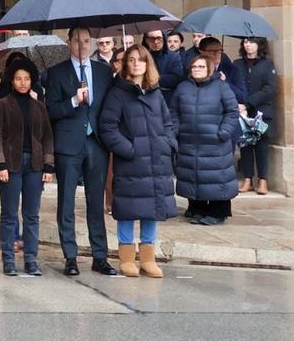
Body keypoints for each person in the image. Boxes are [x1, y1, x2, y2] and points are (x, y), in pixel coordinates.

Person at [98, 44, 176, 278]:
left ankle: (148, 259)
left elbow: (168, 122)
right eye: (130, 60)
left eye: (140, 60)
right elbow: (108, 127)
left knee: (151, 210)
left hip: (156, 161)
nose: (135, 64)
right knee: (128, 209)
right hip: (132, 162)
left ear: (147, 63)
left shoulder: (155, 92)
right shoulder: (118, 92)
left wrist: (169, 143)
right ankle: (127, 259)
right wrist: (129, 149)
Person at [44, 27, 117, 277]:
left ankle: (100, 256)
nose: (83, 45)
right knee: (66, 201)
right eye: (78, 41)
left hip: (96, 143)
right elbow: (50, 110)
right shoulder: (56, 73)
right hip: (68, 144)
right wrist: (74, 101)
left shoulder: (103, 72)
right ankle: (71, 256)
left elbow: (112, 105)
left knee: (95, 202)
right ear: (69, 43)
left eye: (87, 41)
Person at [0, 60, 54, 276]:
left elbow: (47, 137)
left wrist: (48, 166)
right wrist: (0, 164)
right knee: (9, 214)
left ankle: (31, 259)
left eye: (26, 79)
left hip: (34, 165)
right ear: (11, 80)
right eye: (18, 78)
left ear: (32, 80)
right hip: (10, 164)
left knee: (31, 215)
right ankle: (8, 259)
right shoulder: (2, 104)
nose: (23, 83)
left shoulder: (39, 106)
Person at [173, 54, 239, 227]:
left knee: (217, 177)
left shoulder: (221, 87)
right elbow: (173, 112)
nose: (197, 70)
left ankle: (218, 212)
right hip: (189, 141)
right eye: (194, 67)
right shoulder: (182, 87)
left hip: (214, 142)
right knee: (193, 176)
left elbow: (232, 111)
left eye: (201, 67)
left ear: (209, 68)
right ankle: (198, 209)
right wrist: (176, 130)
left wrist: (223, 132)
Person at [233, 37, 277, 195]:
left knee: (261, 146)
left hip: (261, 110)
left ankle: (263, 180)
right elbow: (234, 84)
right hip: (242, 111)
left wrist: (249, 102)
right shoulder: (237, 64)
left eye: (251, 42)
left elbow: (269, 88)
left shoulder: (267, 64)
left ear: (259, 45)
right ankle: (247, 179)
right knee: (245, 145)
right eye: (245, 42)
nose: (248, 45)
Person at [143, 30, 185, 105]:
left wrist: (151, 78)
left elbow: (176, 79)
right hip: (146, 99)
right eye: (152, 39)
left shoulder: (173, 56)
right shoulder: (142, 57)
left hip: (167, 100)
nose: (156, 42)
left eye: (159, 38)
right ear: (146, 40)